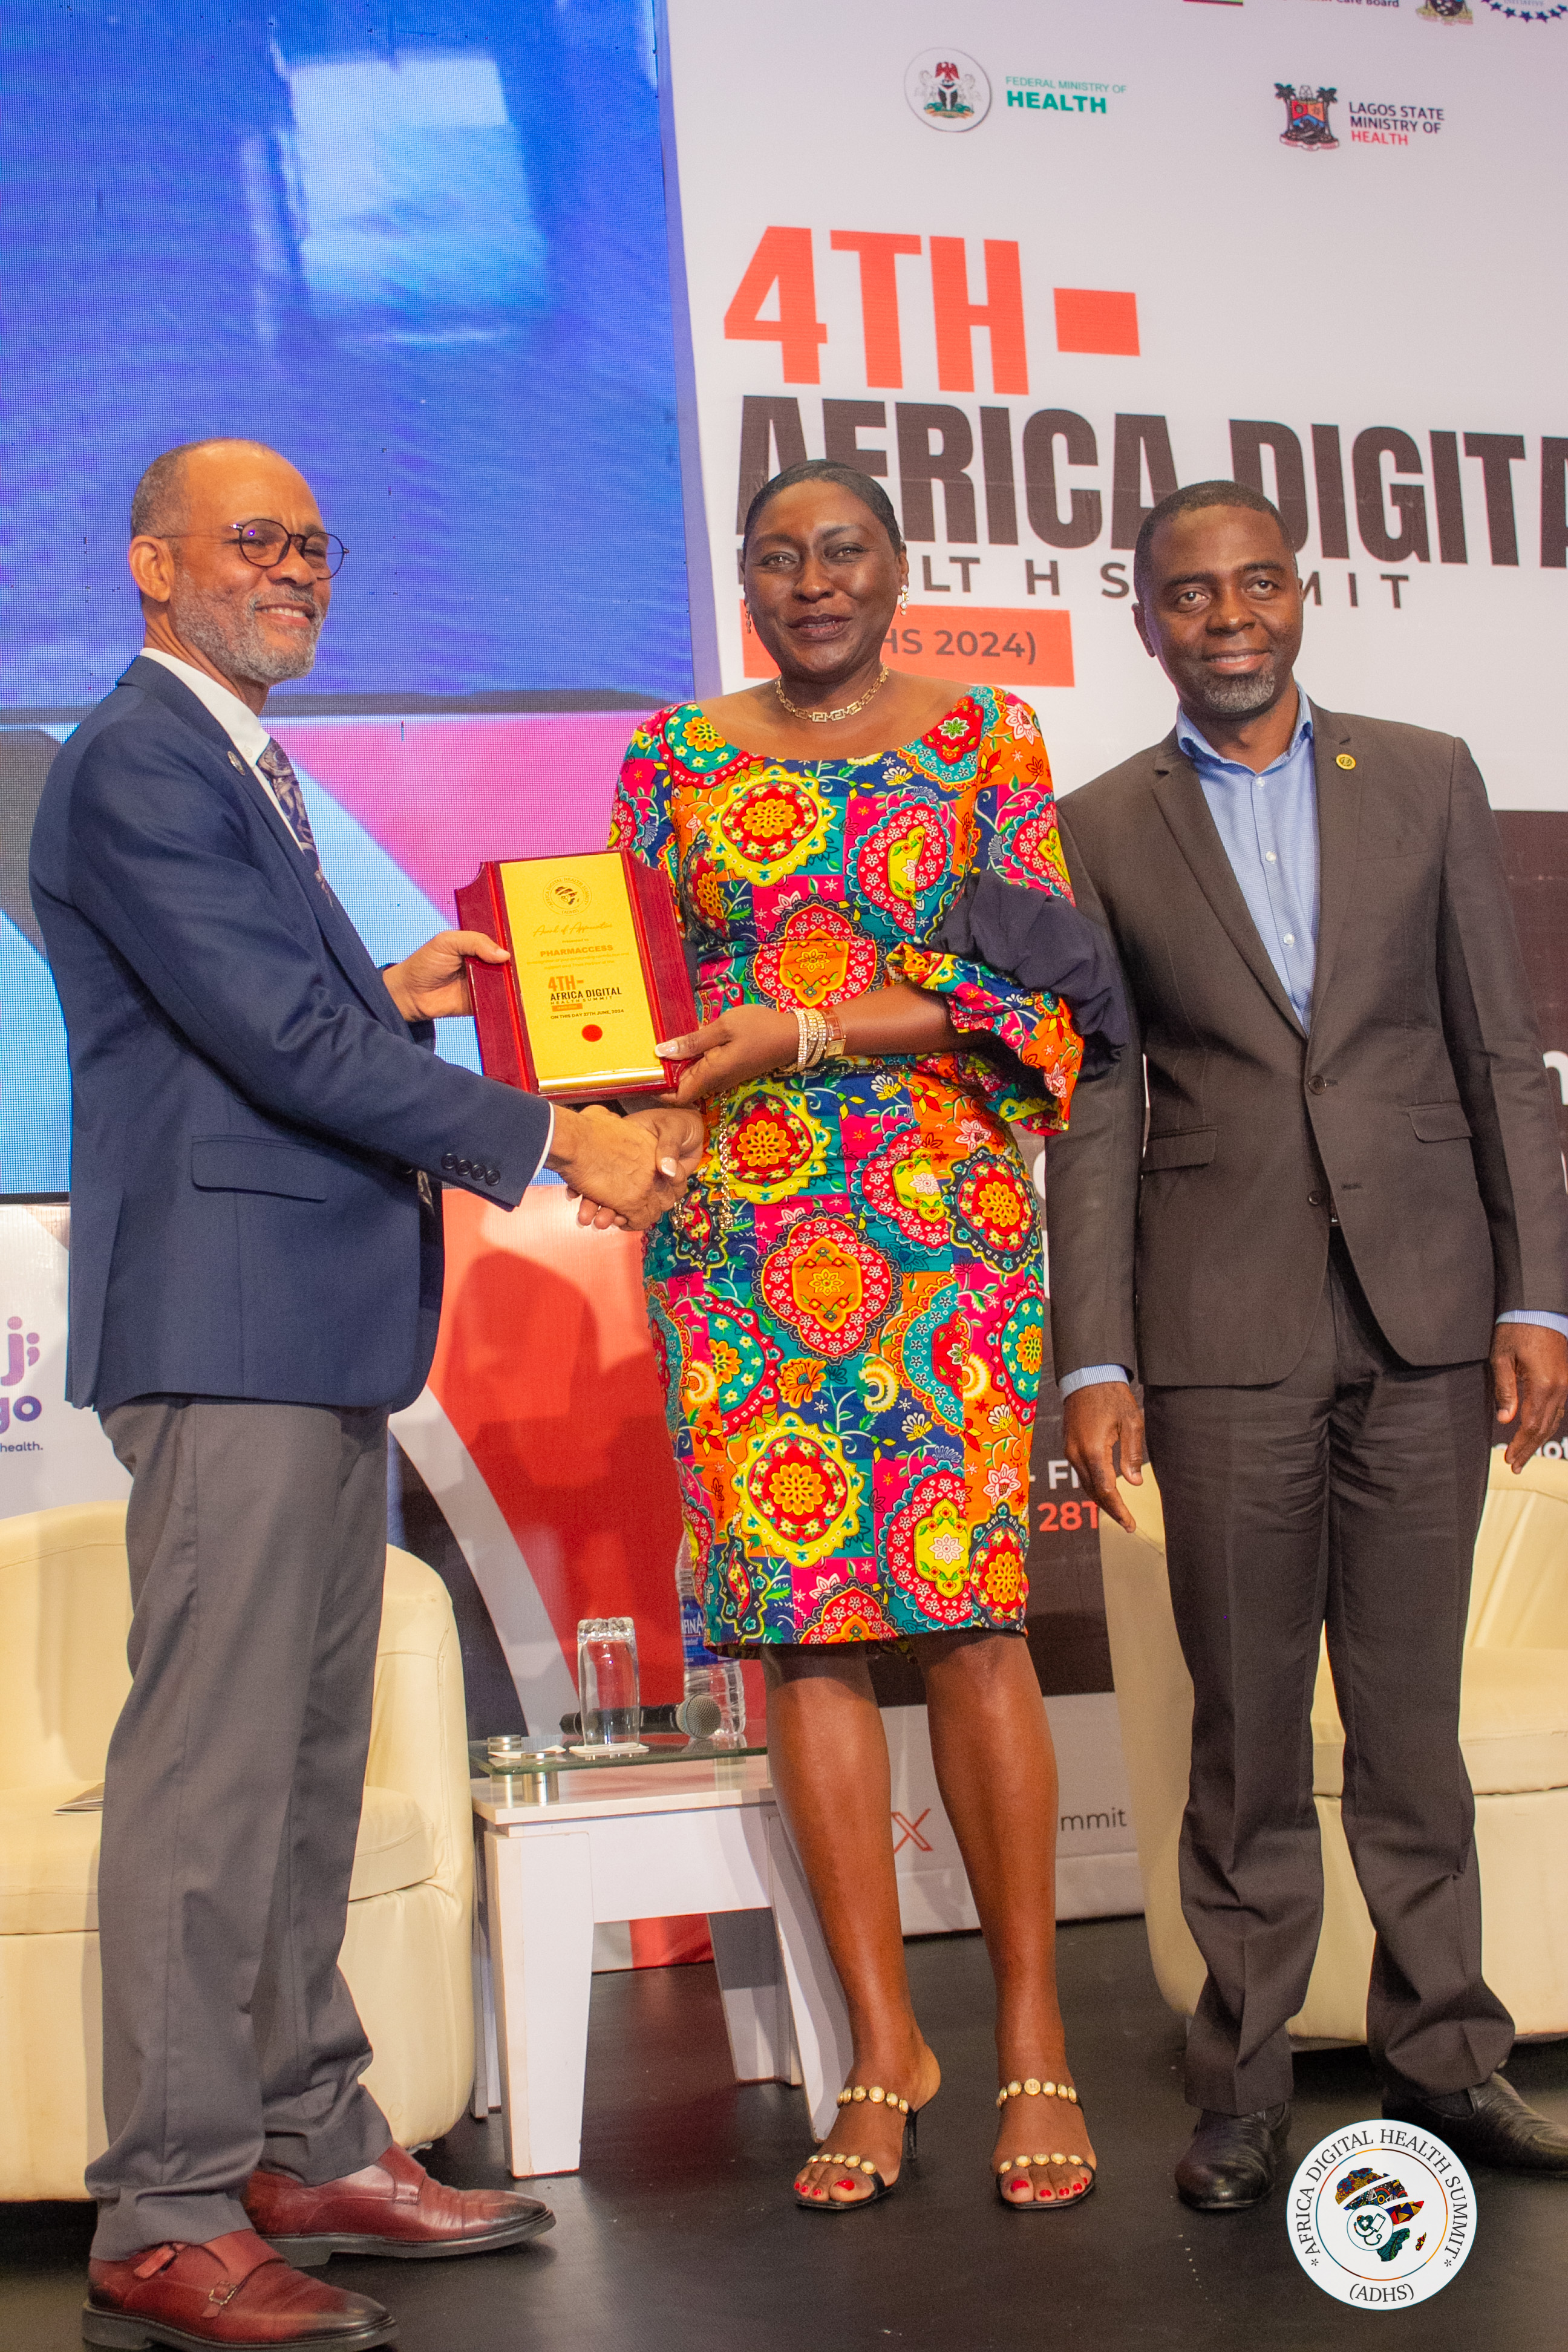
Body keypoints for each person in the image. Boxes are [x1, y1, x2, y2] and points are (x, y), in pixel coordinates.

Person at [30, 439, 690, 2352]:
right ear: (155, 566)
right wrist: (553, 1132)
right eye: (257, 539)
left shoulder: (241, 761)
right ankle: (166, 2204)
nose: (299, 569)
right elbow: (272, 1039)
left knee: (307, 1761)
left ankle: (307, 2136)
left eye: (316, 544)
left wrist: (397, 991)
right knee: (212, 1774)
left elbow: (273, 1016)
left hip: (310, 1321)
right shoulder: (140, 757)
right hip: (228, 1325)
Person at [1044, 479, 1568, 2212]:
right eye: (1192, 594)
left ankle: (1450, 2061)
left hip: (1427, 1316)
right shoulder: (1096, 825)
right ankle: (1244, 2087)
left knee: (1411, 1723)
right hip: (1217, 1329)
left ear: (1300, 592)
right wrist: (1096, 1357)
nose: (1230, 617)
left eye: (1256, 583)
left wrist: (1537, 1297)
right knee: (1250, 1732)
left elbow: (1502, 1054)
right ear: (1147, 623)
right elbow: (1099, 1106)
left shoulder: (1423, 774)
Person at [610, 459, 1128, 2212]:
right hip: (743, 1237)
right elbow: (634, 996)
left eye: (844, 552)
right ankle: (882, 2050)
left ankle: (1035, 2041)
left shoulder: (985, 740)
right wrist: (629, 1111)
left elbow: (1032, 992)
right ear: (742, 581)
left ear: (901, 571)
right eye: (779, 557)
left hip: (941, 1220)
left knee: (975, 1623)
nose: (814, 581)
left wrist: (810, 1034)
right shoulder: (670, 759)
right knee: (803, 1642)